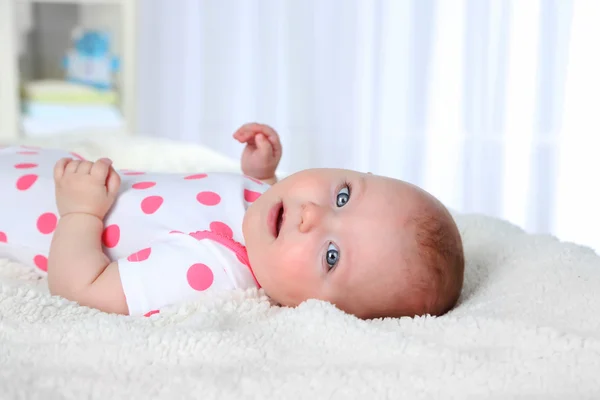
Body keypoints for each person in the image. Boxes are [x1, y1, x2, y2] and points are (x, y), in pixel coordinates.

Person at [0, 123, 464, 319]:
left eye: (331, 255)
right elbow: (242, 208)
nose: (310, 214)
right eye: (342, 195)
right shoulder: (271, 224)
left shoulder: (211, 269)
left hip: (18, 207)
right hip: (40, 165)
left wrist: (80, 211)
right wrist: (261, 175)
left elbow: (81, 288)